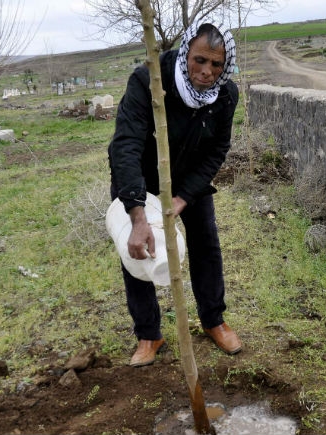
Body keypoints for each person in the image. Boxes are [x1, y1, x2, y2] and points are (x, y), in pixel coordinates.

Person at [108, 22, 242, 367]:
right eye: (199, 60)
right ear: (186, 53)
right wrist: (138, 214)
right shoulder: (149, 81)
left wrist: (183, 198)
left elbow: (217, 150)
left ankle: (214, 321)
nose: (207, 71)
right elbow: (126, 145)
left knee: (206, 246)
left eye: (216, 64)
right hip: (140, 177)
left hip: (189, 181)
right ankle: (149, 334)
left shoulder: (226, 95)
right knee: (137, 250)